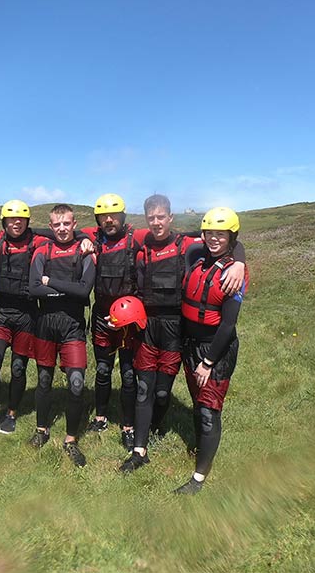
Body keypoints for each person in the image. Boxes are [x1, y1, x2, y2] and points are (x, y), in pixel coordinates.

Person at [120, 195, 246, 473]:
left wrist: (239, 263)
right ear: (146, 219)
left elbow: (228, 241)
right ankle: (139, 450)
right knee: (144, 389)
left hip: (176, 329)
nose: (156, 222)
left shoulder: (187, 246)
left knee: (162, 393)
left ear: (170, 217)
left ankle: (156, 425)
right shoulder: (141, 248)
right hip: (147, 327)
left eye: (161, 217)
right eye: (151, 217)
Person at [174, 207, 248, 494]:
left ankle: (199, 479)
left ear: (232, 237)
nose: (214, 239)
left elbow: (228, 325)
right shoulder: (196, 256)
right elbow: (193, 238)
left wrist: (207, 362)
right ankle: (200, 447)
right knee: (198, 403)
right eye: (210, 234)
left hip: (214, 350)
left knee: (208, 412)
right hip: (190, 345)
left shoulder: (234, 273)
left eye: (221, 234)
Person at [28, 204, 96, 467]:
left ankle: (70, 439)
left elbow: (84, 291)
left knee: (76, 382)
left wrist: (51, 283)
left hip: (73, 325)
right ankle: (41, 429)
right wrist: (65, 290)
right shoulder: (42, 251)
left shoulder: (85, 251)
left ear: (74, 223)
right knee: (44, 379)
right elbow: (34, 289)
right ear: (51, 225)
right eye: (56, 225)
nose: (62, 229)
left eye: (66, 224)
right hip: (45, 323)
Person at [82, 193, 150, 451]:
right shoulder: (94, 235)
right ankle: (100, 418)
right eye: (103, 216)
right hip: (101, 316)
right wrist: (83, 241)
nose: (109, 220)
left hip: (129, 320)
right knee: (102, 369)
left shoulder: (137, 237)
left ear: (122, 216)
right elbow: (49, 232)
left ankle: (128, 426)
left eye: (113, 216)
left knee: (129, 375)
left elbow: (184, 238)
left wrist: (238, 256)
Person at [0, 200, 44, 436]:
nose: (16, 223)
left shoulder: (37, 241)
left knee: (18, 368)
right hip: (1, 313)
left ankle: (12, 414)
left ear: (28, 221)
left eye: (21, 219)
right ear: (4, 221)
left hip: (27, 315)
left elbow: (64, 234)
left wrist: (86, 239)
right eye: (12, 219)